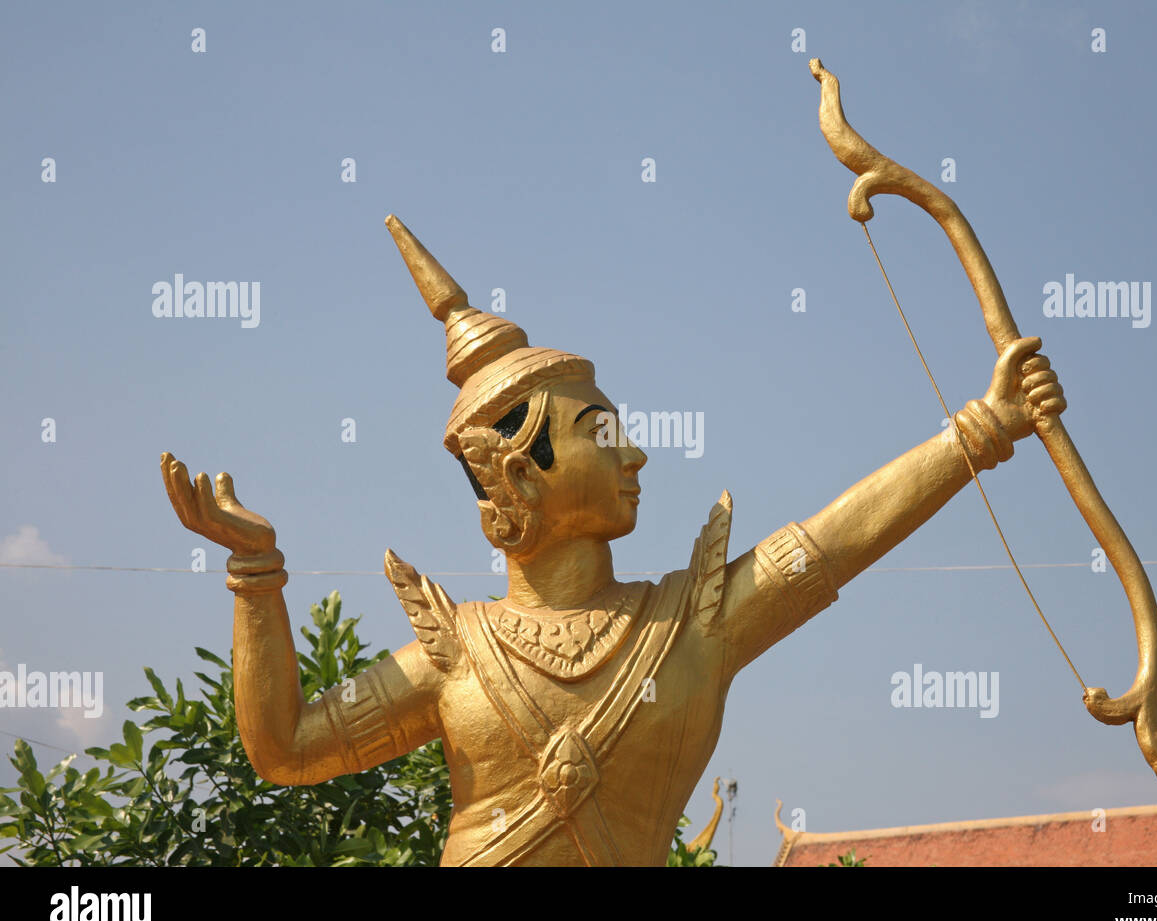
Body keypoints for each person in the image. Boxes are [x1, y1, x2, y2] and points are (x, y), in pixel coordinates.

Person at [160, 214, 1065, 866]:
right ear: (520, 470)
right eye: (600, 431)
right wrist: (256, 572)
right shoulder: (454, 655)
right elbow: (281, 751)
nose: (632, 452)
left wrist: (984, 427)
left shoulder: (690, 625)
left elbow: (835, 540)